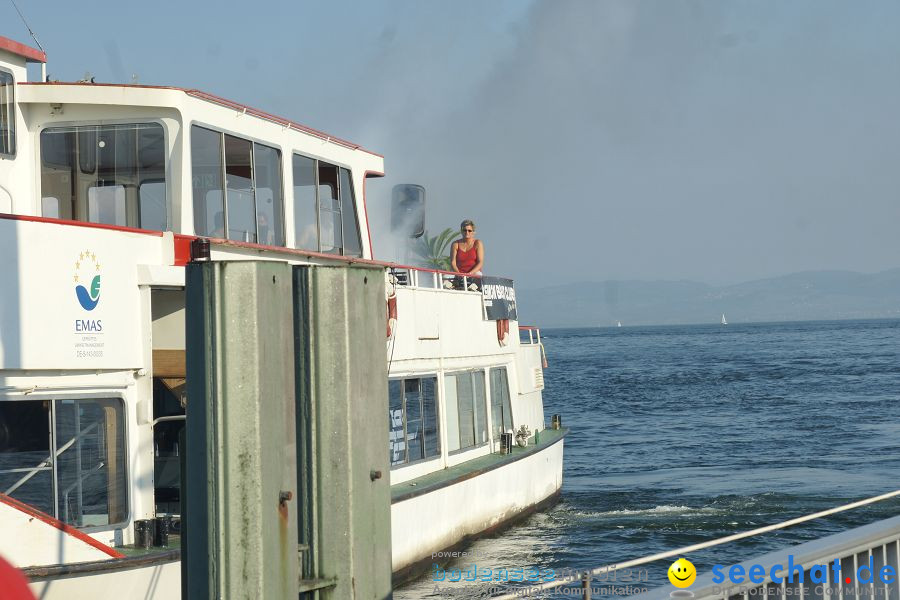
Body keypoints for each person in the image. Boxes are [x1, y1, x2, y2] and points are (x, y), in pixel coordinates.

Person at [449, 219, 484, 291]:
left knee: (479, 276)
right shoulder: (455, 244)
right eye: (465, 230)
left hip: (474, 274)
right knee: (445, 278)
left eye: (469, 230)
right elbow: (453, 262)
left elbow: (480, 262)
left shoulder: (478, 243)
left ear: (473, 232)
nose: (467, 232)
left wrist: (470, 273)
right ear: (461, 231)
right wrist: (459, 274)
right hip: (458, 273)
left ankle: (472, 289)